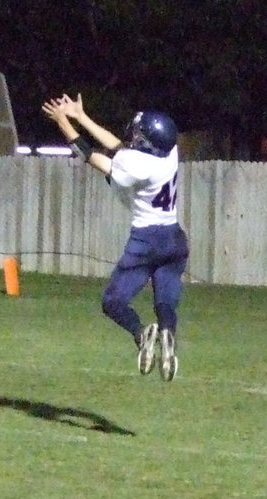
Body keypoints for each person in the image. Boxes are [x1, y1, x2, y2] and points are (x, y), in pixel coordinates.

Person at [41, 93, 189, 381]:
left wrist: (63, 122)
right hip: (174, 238)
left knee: (113, 302)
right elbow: (119, 147)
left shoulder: (135, 167)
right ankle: (167, 332)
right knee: (166, 301)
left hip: (146, 240)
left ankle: (141, 332)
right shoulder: (169, 152)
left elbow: (89, 154)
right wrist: (81, 116)